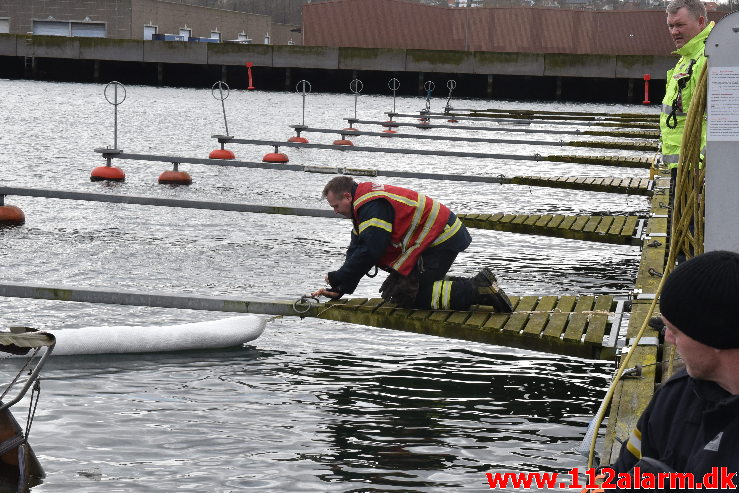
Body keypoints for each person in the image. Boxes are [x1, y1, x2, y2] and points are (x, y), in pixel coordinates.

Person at [611, 251, 739, 481]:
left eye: (676, 330)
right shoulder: (674, 397)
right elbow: (621, 474)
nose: (668, 337)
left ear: (715, 336)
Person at [311, 176, 513, 312]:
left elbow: (371, 250)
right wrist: (340, 286)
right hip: (436, 239)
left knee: (409, 297)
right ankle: (481, 284)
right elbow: (356, 249)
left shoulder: (371, 206)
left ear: (347, 196)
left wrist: (340, 277)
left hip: (442, 239)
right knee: (396, 290)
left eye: (335, 206)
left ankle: (477, 290)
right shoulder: (362, 206)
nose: (335, 211)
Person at [661, 0, 714, 170]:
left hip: (696, 169)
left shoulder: (709, 57)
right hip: (682, 166)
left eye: (680, 25)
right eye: (670, 26)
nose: (674, 32)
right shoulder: (686, 58)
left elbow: (722, 120)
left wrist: (701, 162)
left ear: (700, 22)